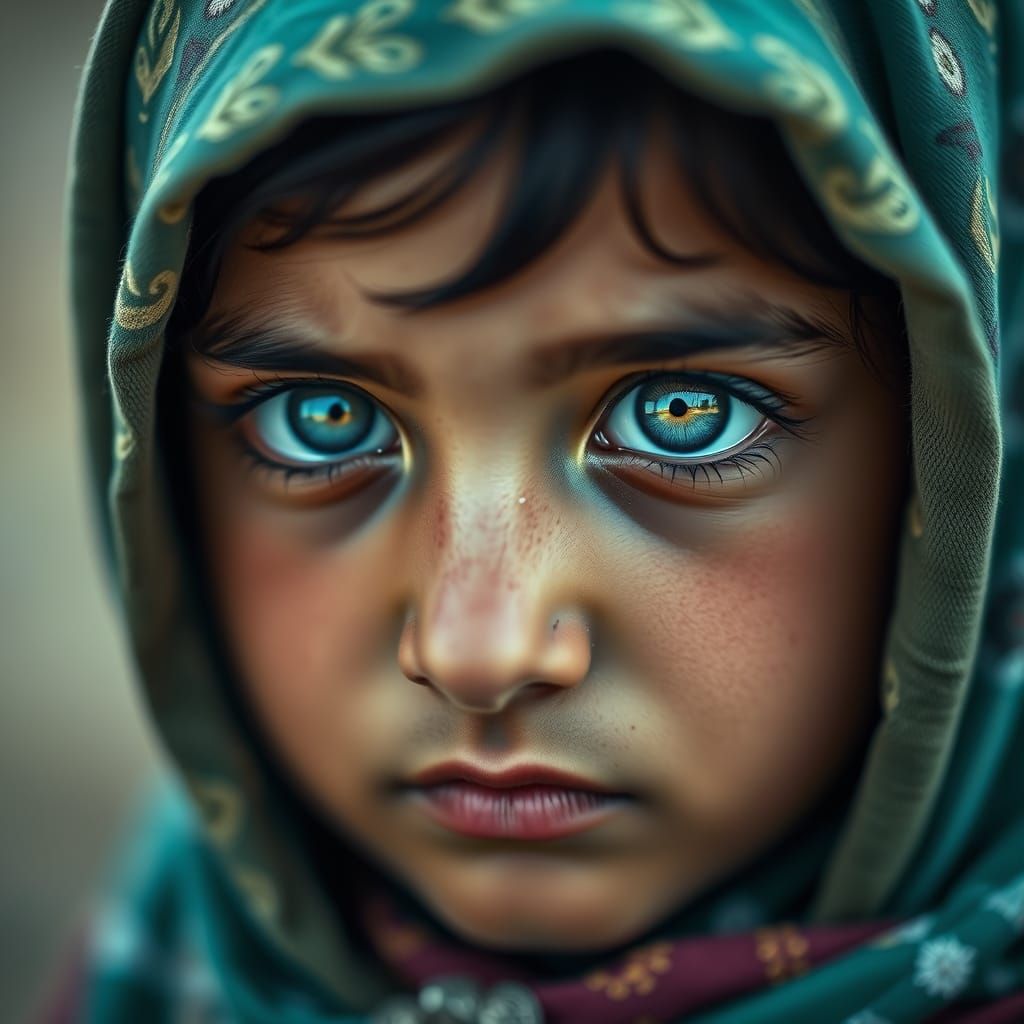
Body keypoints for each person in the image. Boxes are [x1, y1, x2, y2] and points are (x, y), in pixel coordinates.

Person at [58, 0, 1022, 1020]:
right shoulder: (174, 958)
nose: (480, 651)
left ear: (956, 438)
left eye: (679, 417)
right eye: (323, 421)